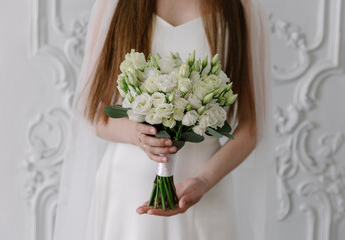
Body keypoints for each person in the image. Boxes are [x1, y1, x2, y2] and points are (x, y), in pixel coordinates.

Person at [53, 0, 275, 239]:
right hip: (126, 191)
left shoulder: (240, 8)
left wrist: (203, 180)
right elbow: (93, 111)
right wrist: (135, 134)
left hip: (205, 192)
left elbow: (251, 128)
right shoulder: (115, 4)